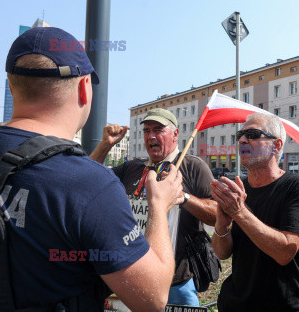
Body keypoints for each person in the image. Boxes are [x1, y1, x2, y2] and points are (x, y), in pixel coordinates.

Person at [0, 26, 182, 311]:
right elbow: (153, 296)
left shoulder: (86, 181)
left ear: (11, 86)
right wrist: (160, 206)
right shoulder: (91, 184)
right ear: (84, 89)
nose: (150, 136)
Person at [90, 108, 217, 306]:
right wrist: (104, 146)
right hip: (132, 275)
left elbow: (216, 214)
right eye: (147, 131)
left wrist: (182, 196)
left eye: (158, 130)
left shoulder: (193, 166)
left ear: (175, 134)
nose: (151, 136)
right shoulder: (132, 167)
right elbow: (88, 179)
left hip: (177, 282)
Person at [211, 113, 299, 311]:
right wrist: (222, 225)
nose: (242, 139)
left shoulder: (295, 186)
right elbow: (221, 253)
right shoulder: (240, 190)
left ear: (276, 146)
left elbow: (285, 252)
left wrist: (239, 213)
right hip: (234, 305)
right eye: (240, 135)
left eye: (252, 134)